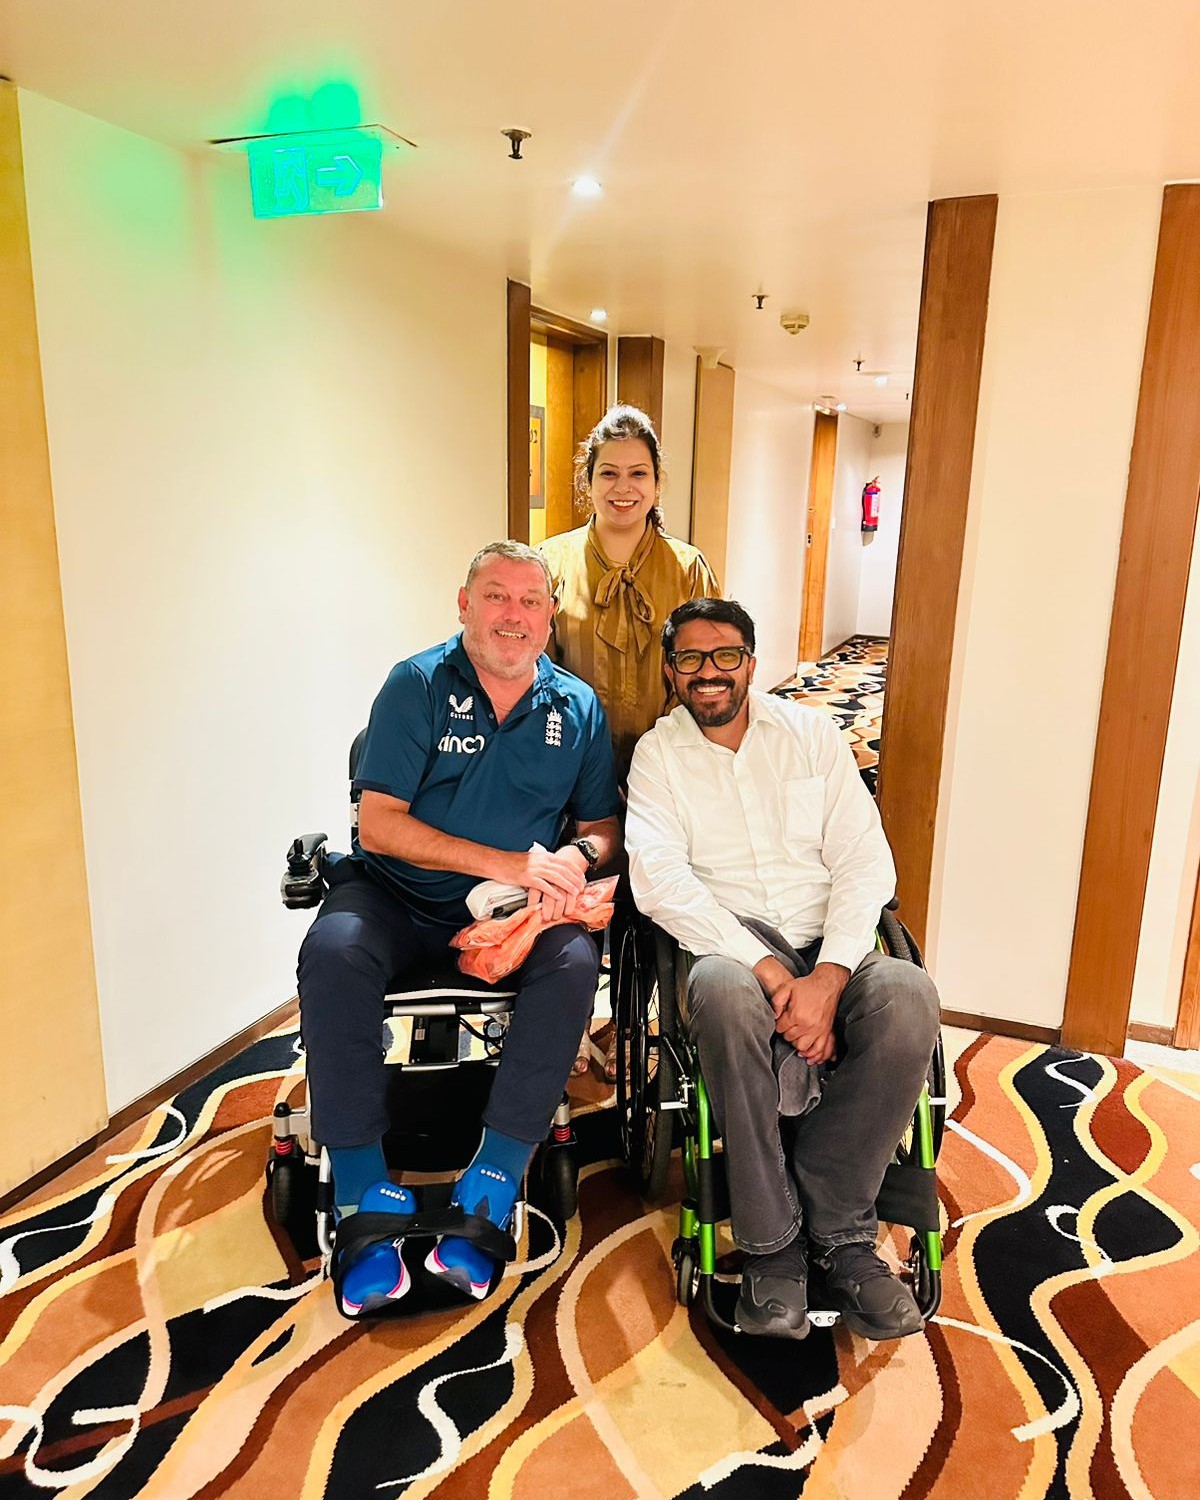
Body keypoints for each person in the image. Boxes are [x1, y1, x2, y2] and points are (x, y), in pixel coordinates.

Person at [298, 541, 621, 1316]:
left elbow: (601, 827)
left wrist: (573, 859)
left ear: (550, 616)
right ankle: (361, 1192)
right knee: (331, 952)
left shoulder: (576, 707)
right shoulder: (415, 685)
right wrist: (508, 862)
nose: (514, 615)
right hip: (397, 899)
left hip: (512, 913)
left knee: (574, 962)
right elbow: (379, 826)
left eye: (531, 601)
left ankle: (494, 1178)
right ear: (465, 604)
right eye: (497, 596)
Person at [624, 598, 940, 1341]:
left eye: (725, 655)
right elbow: (661, 883)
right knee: (722, 994)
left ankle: (840, 1228)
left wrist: (828, 979)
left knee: (908, 996)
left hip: (829, 942)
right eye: (691, 658)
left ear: (751, 663)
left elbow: (864, 861)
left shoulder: (811, 735)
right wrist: (770, 973)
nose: (709, 672)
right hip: (731, 947)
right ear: (670, 671)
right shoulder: (657, 756)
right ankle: (771, 1245)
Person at [537, 404, 719, 1077]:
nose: (623, 487)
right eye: (608, 473)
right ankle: (566, 1022)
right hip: (569, 767)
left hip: (663, 764)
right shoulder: (550, 562)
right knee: (571, 894)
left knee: (651, 899)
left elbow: (706, 670)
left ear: (657, 482)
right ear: (587, 481)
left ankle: (633, 1019)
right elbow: (532, 672)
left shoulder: (687, 568)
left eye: (638, 473)